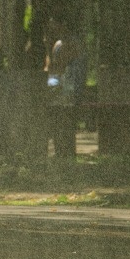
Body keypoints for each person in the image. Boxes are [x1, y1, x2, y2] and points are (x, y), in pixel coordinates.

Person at [44, 14, 86, 158]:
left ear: (64, 24)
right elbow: (51, 70)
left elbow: (59, 66)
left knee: (65, 122)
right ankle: (60, 154)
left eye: (54, 24)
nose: (51, 28)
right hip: (59, 88)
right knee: (57, 121)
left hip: (70, 89)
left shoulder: (72, 43)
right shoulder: (57, 44)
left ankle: (67, 155)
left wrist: (48, 49)